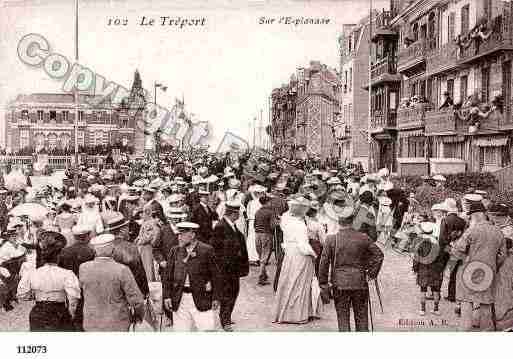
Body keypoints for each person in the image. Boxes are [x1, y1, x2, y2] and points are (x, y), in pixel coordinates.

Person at [318, 204, 384, 331]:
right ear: (353, 221)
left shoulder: (331, 239)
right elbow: (379, 255)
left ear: (338, 221)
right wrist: (371, 273)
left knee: (343, 318)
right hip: (360, 282)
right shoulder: (363, 237)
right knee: (362, 318)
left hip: (339, 284)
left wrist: (323, 285)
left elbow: (324, 264)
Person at [452, 200, 507, 331]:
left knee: (466, 301)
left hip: (470, 271)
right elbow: (502, 256)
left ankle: (464, 330)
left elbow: (457, 251)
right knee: (486, 303)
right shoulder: (498, 232)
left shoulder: (471, 231)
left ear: (475, 216)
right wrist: (493, 265)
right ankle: (486, 332)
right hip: (489, 272)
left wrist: (466, 259)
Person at [162, 222, 222, 331]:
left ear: (192, 235)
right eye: (178, 234)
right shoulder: (174, 251)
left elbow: (216, 276)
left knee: (207, 331)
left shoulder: (207, 250)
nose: (178, 238)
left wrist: (216, 297)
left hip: (202, 299)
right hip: (180, 300)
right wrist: (166, 296)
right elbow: (167, 277)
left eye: (182, 234)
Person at [79, 233, 145, 331]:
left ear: (95, 251)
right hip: (117, 322)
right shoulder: (122, 270)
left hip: (91, 322)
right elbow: (136, 299)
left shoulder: (83, 268)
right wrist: (139, 315)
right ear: (113, 250)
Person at [17, 231, 80, 331]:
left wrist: (36, 295)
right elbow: (73, 299)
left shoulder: (31, 273)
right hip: (59, 313)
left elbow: (22, 294)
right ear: (59, 255)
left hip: (38, 312)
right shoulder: (67, 274)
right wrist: (71, 313)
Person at [273, 196, 321, 324]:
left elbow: (286, 240)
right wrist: (313, 254)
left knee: (288, 280)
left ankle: (285, 312)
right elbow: (303, 245)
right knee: (300, 283)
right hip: (300, 256)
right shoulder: (300, 226)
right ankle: (297, 314)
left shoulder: (287, 222)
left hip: (290, 253)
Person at [212, 201, 249, 331]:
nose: (239, 214)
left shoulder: (231, 225)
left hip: (233, 268)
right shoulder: (221, 227)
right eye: (237, 212)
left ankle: (227, 316)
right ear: (233, 213)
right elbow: (217, 251)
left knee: (233, 292)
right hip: (226, 269)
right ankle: (225, 320)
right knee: (227, 294)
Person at [57, 225, 95, 330]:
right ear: (86, 236)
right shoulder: (91, 251)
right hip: (86, 287)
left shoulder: (65, 251)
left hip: (70, 287)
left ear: (75, 237)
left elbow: (60, 271)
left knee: (72, 309)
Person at [104, 212, 149, 298]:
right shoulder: (130, 247)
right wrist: (145, 292)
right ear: (122, 230)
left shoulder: (104, 248)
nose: (129, 231)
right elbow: (139, 273)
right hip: (129, 293)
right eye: (127, 228)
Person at [254, 195, 276, 286]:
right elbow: (272, 225)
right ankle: (261, 277)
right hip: (266, 234)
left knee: (261, 255)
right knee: (265, 257)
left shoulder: (258, 212)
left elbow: (254, 224)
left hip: (257, 234)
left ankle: (264, 274)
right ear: (267, 202)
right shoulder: (270, 212)